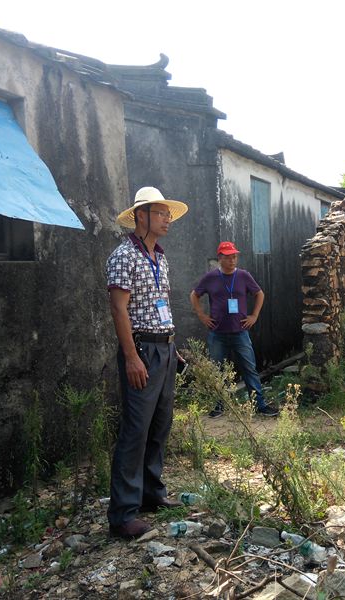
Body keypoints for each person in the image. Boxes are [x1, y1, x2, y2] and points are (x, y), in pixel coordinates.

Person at [104, 186, 188, 539]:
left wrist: (173, 346)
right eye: (160, 213)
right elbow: (119, 308)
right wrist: (131, 356)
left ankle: (151, 492)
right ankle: (122, 515)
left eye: (168, 213)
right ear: (141, 216)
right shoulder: (124, 256)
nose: (167, 218)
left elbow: (163, 304)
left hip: (164, 349)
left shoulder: (160, 257)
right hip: (141, 351)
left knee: (160, 423)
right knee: (136, 430)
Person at [190, 241, 279, 417]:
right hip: (217, 333)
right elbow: (194, 294)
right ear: (220, 258)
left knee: (249, 368)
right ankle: (218, 406)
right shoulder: (211, 277)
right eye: (228, 257)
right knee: (216, 370)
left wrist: (254, 316)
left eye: (234, 257)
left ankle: (259, 405)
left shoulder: (244, 276)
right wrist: (202, 316)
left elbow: (259, 293)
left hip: (240, 332)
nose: (232, 260)